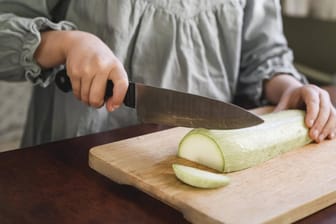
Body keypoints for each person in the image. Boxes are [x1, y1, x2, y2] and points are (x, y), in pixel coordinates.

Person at [0, 0, 335, 148]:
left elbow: (261, 54)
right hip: (73, 161)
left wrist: (288, 87)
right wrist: (66, 43)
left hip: (197, 165)